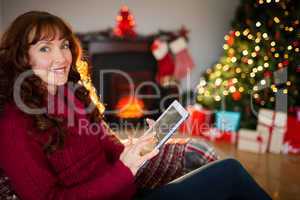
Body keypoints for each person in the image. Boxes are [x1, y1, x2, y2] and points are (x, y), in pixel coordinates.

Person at [0, 11, 272, 200]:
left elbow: (107, 147)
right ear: (22, 57)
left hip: (129, 191)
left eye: (64, 45)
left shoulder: (71, 93)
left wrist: (139, 147)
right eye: (45, 48)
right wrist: (125, 170)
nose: (61, 57)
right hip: (124, 191)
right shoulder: (14, 124)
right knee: (231, 175)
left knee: (226, 177)